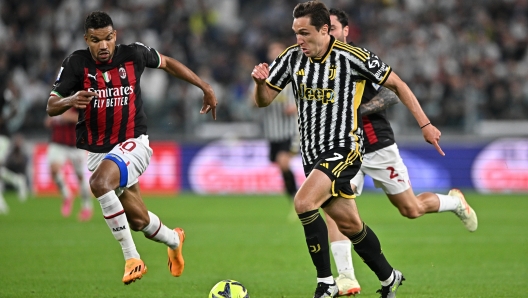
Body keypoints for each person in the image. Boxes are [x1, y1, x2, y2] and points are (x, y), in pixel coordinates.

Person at [252, 1, 444, 297]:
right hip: (311, 154)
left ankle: (326, 283)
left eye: (304, 32)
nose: (298, 39)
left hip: (344, 148)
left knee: (304, 203)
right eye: (295, 32)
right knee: (350, 224)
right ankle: (389, 276)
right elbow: (264, 101)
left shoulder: (352, 57)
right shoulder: (291, 58)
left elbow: (398, 85)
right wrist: (259, 83)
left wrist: (425, 125)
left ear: (325, 30)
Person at [46, 11, 217, 285]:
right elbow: (51, 105)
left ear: (115, 35)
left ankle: (132, 258)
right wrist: (71, 99)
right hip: (100, 150)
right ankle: (175, 239)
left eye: (108, 38)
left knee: (99, 183)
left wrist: (204, 86)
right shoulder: (75, 64)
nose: (103, 46)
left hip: (134, 142)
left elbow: (169, 63)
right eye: (96, 40)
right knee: (138, 221)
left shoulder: (134, 54)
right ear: (86, 39)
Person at [326, 7, 479, 296]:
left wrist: (358, 111)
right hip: (345, 148)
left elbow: (390, 92)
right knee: (336, 210)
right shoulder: (320, 64)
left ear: (346, 31)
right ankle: (346, 277)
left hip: (377, 143)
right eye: (325, 28)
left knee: (411, 209)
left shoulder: (360, 59)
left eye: (333, 27)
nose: (329, 33)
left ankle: (454, 202)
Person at [254, 41, 299, 218]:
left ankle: (298, 200)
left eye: (277, 51)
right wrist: (259, 87)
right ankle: (295, 199)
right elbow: (254, 101)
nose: (274, 54)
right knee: (281, 166)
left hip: (291, 131)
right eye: (272, 51)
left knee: (283, 161)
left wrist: (294, 107)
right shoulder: (262, 75)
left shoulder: (293, 75)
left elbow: (306, 97)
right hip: (273, 133)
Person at [44, 108, 93, 221]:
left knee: (80, 177)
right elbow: (48, 120)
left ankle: (86, 207)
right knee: (54, 169)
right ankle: (67, 195)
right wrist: (51, 121)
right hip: (58, 142)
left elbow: (86, 118)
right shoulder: (56, 99)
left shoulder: (78, 99)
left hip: (76, 144)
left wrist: (68, 116)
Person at [0, 52, 28, 215]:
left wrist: (3, 119)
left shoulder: (3, 89)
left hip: (2, 135)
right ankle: (17, 180)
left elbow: (15, 107)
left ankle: (2, 203)